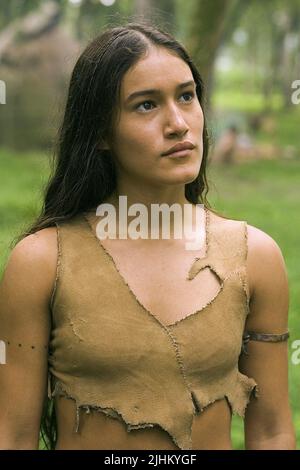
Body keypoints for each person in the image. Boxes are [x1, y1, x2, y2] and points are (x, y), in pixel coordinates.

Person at [0, 21, 296, 451]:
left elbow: (272, 432)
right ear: (100, 132)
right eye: (145, 105)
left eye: (187, 96)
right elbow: (13, 435)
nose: (178, 124)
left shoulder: (254, 257)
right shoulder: (43, 262)